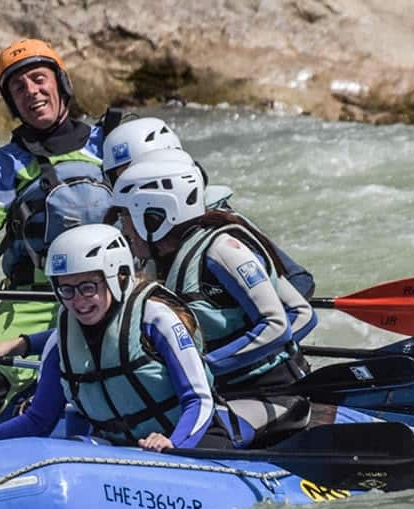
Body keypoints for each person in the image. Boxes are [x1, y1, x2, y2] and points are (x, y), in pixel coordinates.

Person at [0, 38, 114, 431]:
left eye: (38, 79)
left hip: (109, 290)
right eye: (18, 87)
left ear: (60, 83)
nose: (32, 92)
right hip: (30, 299)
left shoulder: (107, 144)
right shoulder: (6, 163)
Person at [0, 224, 233, 452]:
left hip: (192, 441)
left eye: (88, 287)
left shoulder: (156, 318)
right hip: (126, 452)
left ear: (118, 276)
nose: (78, 301)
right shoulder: (61, 339)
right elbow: (37, 420)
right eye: (67, 289)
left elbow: (198, 399)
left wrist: (173, 444)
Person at [109, 152, 315, 443]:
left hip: (269, 395)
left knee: (199, 437)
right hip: (214, 394)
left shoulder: (222, 250)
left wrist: (202, 365)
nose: (124, 229)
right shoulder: (156, 263)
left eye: (126, 217)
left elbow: (277, 326)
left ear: (154, 216)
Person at [102, 116, 316, 299]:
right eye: (119, 178)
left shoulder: (219, 221)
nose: (127, 186)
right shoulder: (129, 224)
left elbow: (299, 281)